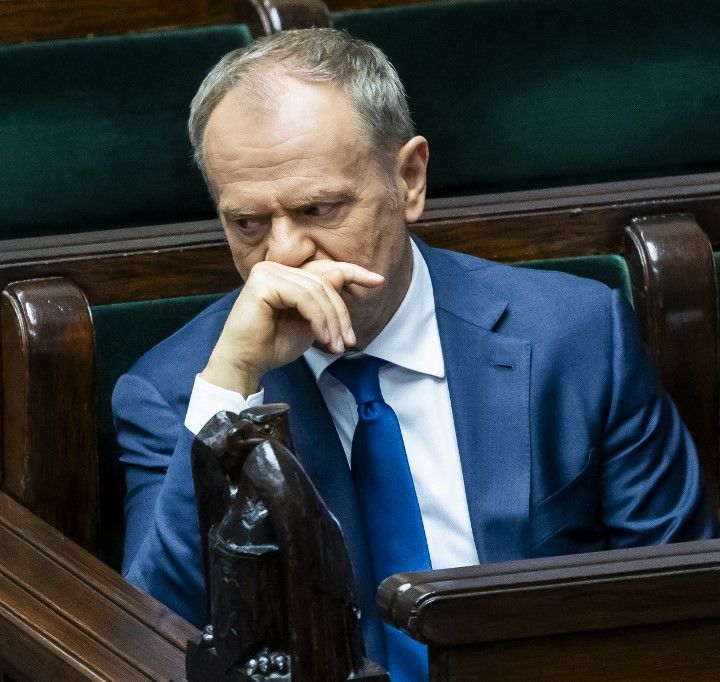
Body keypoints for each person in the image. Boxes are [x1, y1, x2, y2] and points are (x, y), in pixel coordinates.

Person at [112, 28, 718, 679]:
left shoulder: (576, 336)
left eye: (318, 208)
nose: (284, 254)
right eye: (247, 223)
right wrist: (234, 383)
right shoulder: (180, 393)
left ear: (409, 179)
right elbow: (158, 642)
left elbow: (682, 605)